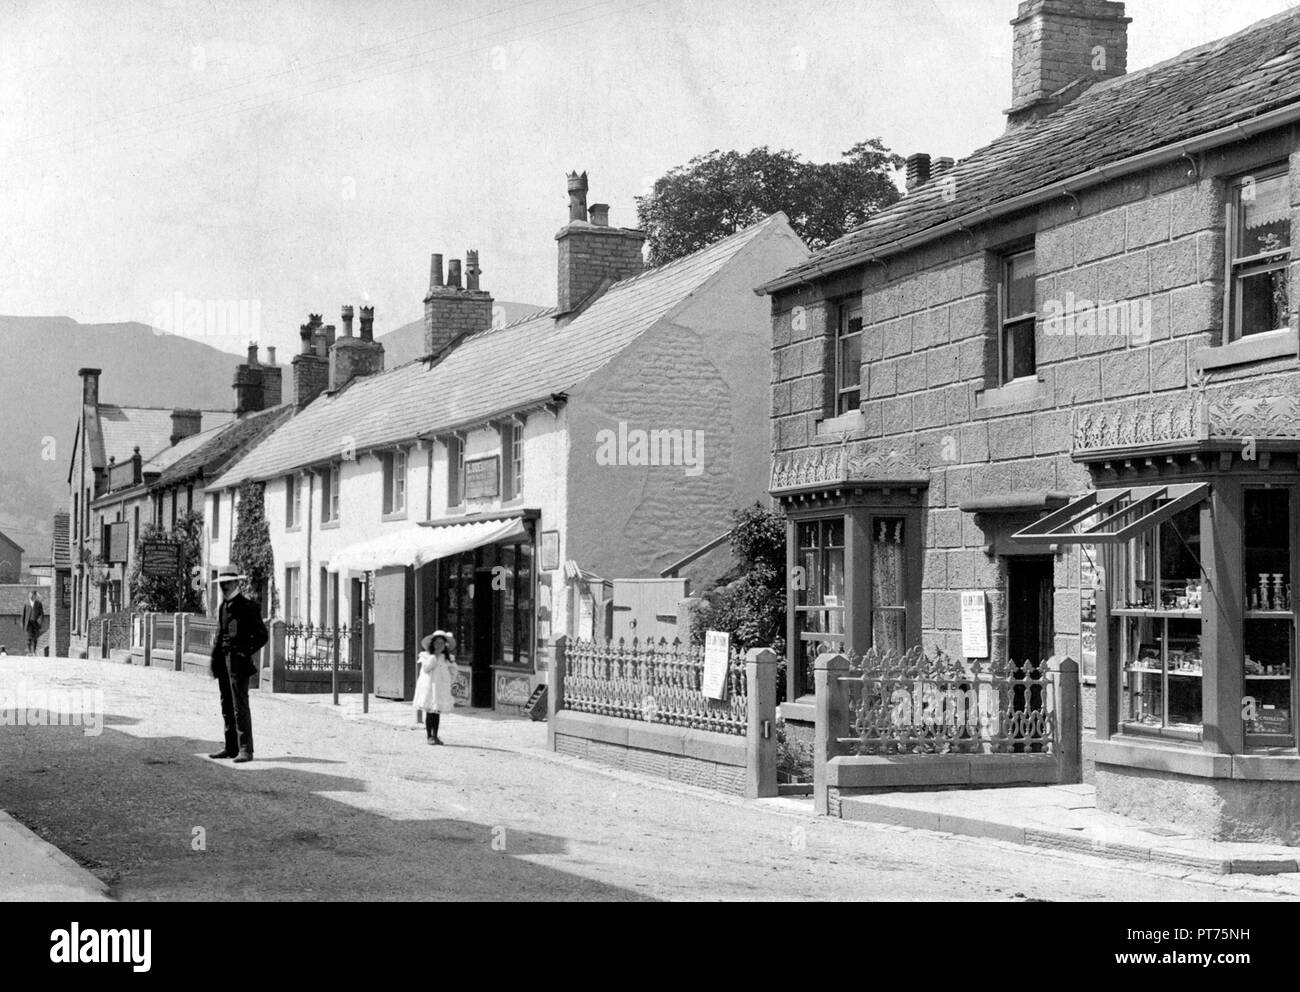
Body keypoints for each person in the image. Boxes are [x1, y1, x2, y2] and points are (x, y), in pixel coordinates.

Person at [209, 565, 268, 763]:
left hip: (239, 663)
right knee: (226, 703)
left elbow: (262, 636)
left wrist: (244, 651)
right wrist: (215, 661)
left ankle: (245, 749)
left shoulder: (248, 607)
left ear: (236, 583)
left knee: (239, 705)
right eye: (221, 584)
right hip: (223, 662)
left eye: (227, 583)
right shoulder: (222, 608)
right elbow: (219, 635)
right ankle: (231, 747)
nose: (224, 587)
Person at [413, 631, 456, 745]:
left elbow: (453, 671)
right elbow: (426, 669)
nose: (439, 646)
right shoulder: (426, 656)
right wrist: (433, 657)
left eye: (442, 643)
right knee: (430, 712)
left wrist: (448, 681)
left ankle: (436, 735)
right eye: (437, 643)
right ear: (432, 644)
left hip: (440, 689)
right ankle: (429, 736)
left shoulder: (447, 658)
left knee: (437, 713)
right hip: (429, 688)